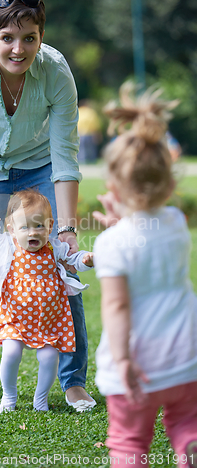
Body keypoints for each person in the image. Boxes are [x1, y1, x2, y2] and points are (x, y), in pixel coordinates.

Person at [0, 0, 95, 411]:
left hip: (40, 168)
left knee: (64, 276)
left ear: (41, 37)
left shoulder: (56, 72)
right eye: (8, 38)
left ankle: (73, 382)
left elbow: (65, 156)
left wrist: (66, 229)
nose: (18, 48)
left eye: (29, 37)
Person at [92, 82, 197, 468]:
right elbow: (147, 227)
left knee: (129, 439)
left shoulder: (111, 244)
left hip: (138, 362)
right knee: (186, 421)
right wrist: (123, 218)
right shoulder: (175, 221)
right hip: (187, 355)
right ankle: (190, 444)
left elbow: (117, 305)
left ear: (113, 187)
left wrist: (122, 360)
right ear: (170, 185)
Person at [0, 190, 94, 413]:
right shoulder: (8, 245)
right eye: (25, 227)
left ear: (50, 226)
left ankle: (40, 399)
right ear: (11, 228)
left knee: (50, 357)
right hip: (15, 318)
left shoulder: (54, 248)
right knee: (11, 353)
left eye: (39, 226)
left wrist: (87, 260)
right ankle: (8, 395)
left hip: (46, 321)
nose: (33, 232)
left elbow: (73, 259)